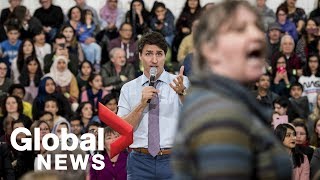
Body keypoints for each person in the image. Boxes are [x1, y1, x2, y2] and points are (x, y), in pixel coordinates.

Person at [172, 1, 292, 179]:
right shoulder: (222, 114)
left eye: (257, 27)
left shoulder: (217, 98)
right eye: (240, 30)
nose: (257, 35)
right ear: (210, 49)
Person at [117, 31, 189, 179]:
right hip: (139, 161)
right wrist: (141, 104)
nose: (154, 60)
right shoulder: (128, 88)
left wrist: (182, 94)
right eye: (149, 53)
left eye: (159, 54)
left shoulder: (182, 83)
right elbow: (121, 129)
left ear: (165, 56)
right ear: (140, 56)